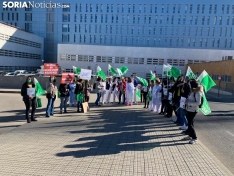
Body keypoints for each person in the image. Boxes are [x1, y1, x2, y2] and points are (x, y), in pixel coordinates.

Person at [184, 79, 203, 144]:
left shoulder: (197, 92)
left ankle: (194, 138)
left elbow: (198, 102)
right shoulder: (192, 91)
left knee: (189, 124)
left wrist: (188, 103)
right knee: (191, 123)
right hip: (189, 109)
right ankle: (190, 135)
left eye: (190, 84)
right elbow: (190, 98)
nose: (189, 85)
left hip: (193, 110)